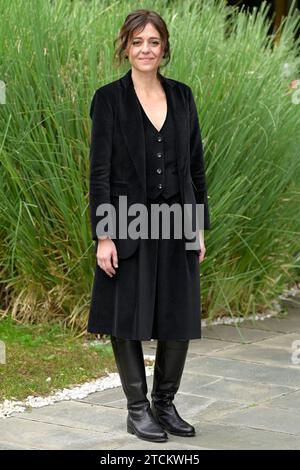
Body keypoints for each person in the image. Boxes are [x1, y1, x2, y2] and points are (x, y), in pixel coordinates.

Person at [87, 9, 211, 443]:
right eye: (137, 41)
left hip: (177, 222)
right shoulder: (108, 99)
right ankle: (137, 410)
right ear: (125, 46)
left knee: (178, 316)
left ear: (164, 48)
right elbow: (99, 172)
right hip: (125, 222)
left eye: (154, 42)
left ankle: (165, 404)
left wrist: (196, 227)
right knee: (127, 316)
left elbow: (196, 167)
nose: (145, 49)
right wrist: (104, 234)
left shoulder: (183, 97)